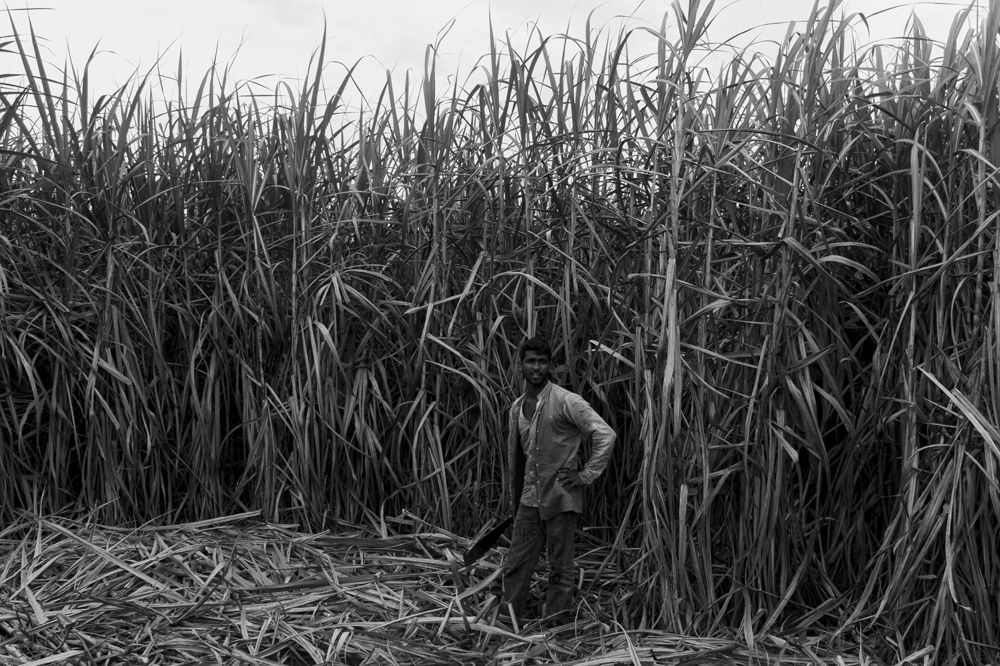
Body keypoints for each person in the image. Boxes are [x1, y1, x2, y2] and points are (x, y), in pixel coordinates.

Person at [500, 336, 617, 626]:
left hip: (561, 496)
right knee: (517, 562)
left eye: (542, 362)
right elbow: (521, 455)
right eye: (530, 361)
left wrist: (585, 475)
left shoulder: (566, 400)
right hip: (530, 497)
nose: (536, 367)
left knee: (560, 568)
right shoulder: (517, 407)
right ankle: (508, 621)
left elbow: (605, 434)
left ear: (550, 366)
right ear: (521, 365)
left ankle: (555, 629)